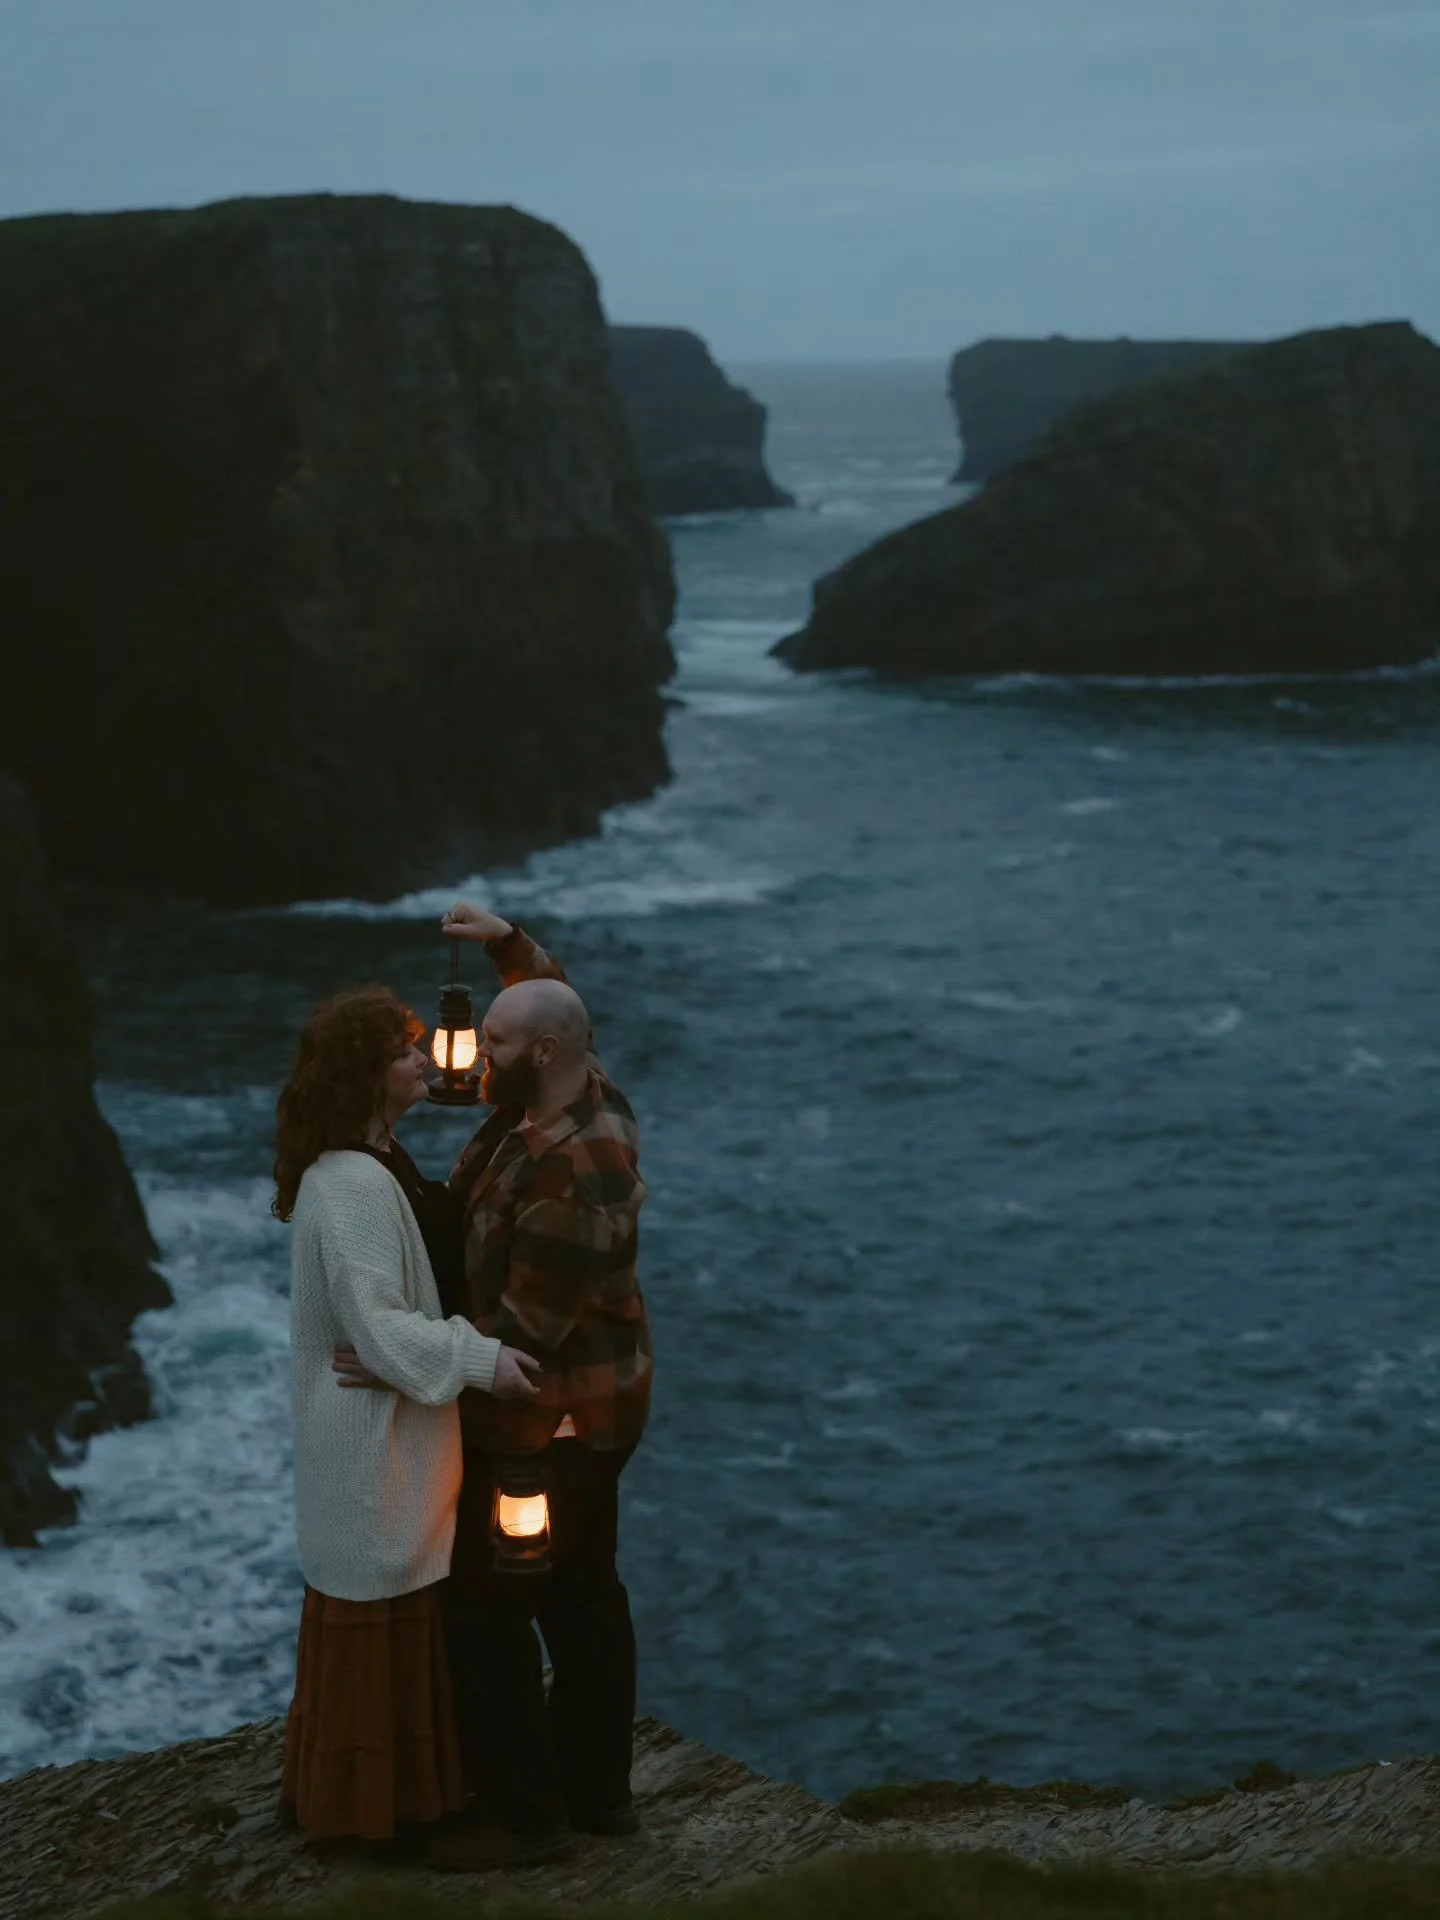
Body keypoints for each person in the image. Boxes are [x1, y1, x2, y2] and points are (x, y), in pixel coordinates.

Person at [338, 905, 652, 1871]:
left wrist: (398, 1353)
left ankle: (526, 1820)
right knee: (585, 1596)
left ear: (545, 1052)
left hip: (546, 1431)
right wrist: (509, 948)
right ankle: (600, 1797)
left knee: (490, 1609)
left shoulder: (574, 1176)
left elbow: (519, 1344)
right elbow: (559, 1002)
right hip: (597, 1409)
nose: (470, 1057)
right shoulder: (575, 1088)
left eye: (498, 1043)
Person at [273, 982, 541, 1853]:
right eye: (404, 1052)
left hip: (379, 1444)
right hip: (369, 1454)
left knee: (383, 1625)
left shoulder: (372, 1157)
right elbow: (379, 1325)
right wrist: (482, 1362)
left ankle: (351, 1799)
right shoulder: (351, 1181)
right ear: (365, 1075)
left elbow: (380, 1327)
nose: (427, 1060)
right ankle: (389, 1824)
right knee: (381, 1632)